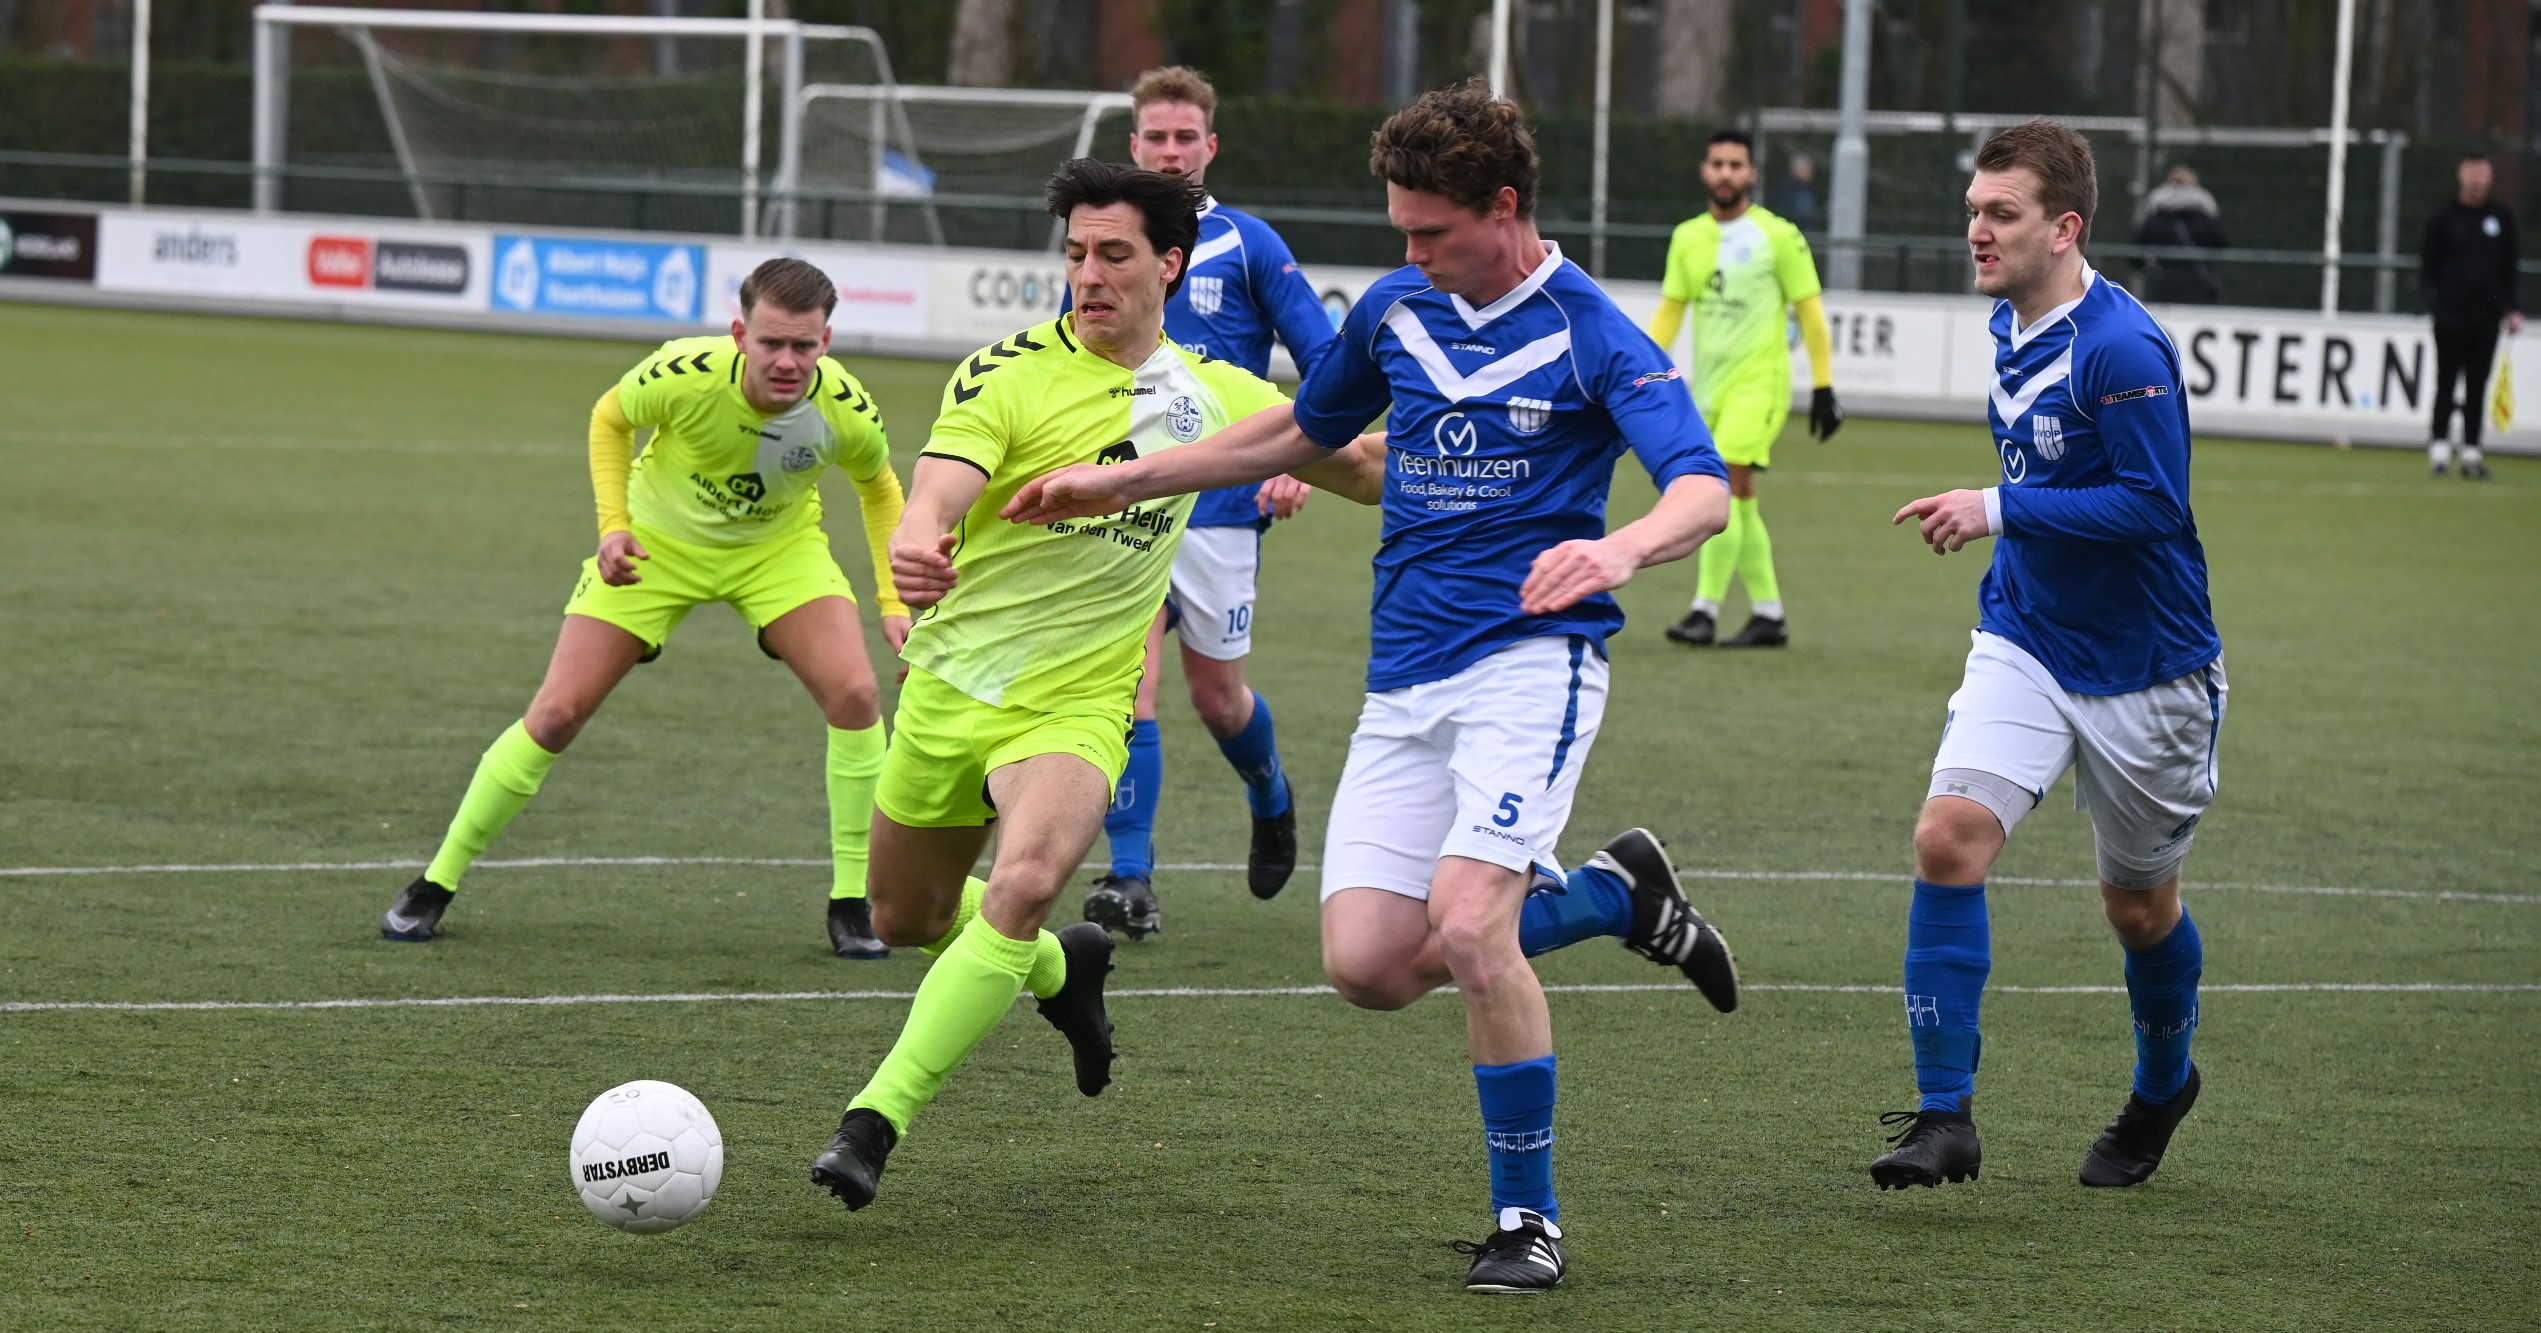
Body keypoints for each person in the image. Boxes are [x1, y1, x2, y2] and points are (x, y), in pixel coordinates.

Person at [1007, 81, 1743, 1294]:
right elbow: (1297, 429)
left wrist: (1618, 551)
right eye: (1400, 231)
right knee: (1365, 965)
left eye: (1429, 232)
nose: (1407, 254)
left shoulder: (1593, 330)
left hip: (1532, 664)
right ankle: (1616, 897)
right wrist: (1128, 480)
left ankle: (1528, 1221)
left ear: (1503, 208)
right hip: (1404, 678)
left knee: (1464, 923)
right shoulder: (1402, 307)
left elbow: (1701, 488)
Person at [808, 159, 1332, 1213]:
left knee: (1028, 874)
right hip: (954, 687)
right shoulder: (1005, 371)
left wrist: (1316, 458)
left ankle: (875, 1118)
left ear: (1169, 265)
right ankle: (1060, 972)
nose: (1088, 274)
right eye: (1077, 254)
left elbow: (1356, 454)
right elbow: (938, 493)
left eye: (1114, 255)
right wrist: (917, 542)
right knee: (904, 915)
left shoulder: (1219, 394)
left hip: (1078, 705)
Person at [377, 258, 911, 959]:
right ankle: (435, 880)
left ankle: (852, 903)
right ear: (738, 333)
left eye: (803, 346)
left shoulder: (843, 406)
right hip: (656, 547)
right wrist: (613, 526)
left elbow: (880, 487)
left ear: (826, 342)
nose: (787, 360)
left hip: (778, 554)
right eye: (771, 342)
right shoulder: (683, 371)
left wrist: (894, 598)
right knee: (557, 712)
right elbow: (609, 418)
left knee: (855, 693)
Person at [1878, 119, 2223, 1194]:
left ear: (2064, 228)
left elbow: (2156, 505)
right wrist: (2005, 525)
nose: (1976, 230)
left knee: (2139, 909)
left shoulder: (2120, 347)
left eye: (2001, 214)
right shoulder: (2012, 321)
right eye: (1974, 210)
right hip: (2025, 635)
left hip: (2147, 671)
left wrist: (1994, 505)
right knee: (1949, 838)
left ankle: (2163, 1083)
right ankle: (1945, 1116)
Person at [1082, 65, 1340, 940]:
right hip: (1123, 493)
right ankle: (1131, 877)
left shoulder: (1251, 244)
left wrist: (1302, 455)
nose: (1168, 150)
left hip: (1223, 506)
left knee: (1219, 698)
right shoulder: (1106, 246)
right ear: (1132, 145)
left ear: (1210, 146)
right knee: (1129, 686)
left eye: (1183, 137)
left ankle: (1269, 792)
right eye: (1153, 137)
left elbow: (1331, 364)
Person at [1652, 128, 1841, 649]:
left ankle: (1703, 611)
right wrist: (1641, 373)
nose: (1726, 174)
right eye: (1718, 164)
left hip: (1760, 386)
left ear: (1752, 173)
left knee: (1723, 487)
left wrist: (1824, 386)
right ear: (1704, 171)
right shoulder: (1687, 237)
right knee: (1742, 499)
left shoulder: (1778, 236)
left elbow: (1810, 311)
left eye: (1737, 165)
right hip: (1708, 390)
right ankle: (1769, 615)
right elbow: (1671, 312)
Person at [2421, 150, 2523, 481]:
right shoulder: (2443, 218)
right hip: (2450, 318)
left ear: (2490, 177)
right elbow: (2428, 267)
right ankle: (2439, 449)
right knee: (2446, 383)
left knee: (2478, 386)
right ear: (2461, 175)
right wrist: (2436, 304)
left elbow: (2509, 268)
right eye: (2471, 173)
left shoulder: (2501, 218)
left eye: (2482, 173)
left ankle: (2471, 453)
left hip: (2486, 319)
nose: (2477, 179)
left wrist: (2512, 308)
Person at [2129, 165, 2229, 305]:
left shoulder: (2156, 220)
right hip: (2199, 286)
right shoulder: (2205, 220)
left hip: (2163, 285)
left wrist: (2149, 268)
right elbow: (2223, 243)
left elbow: (2135, 254)